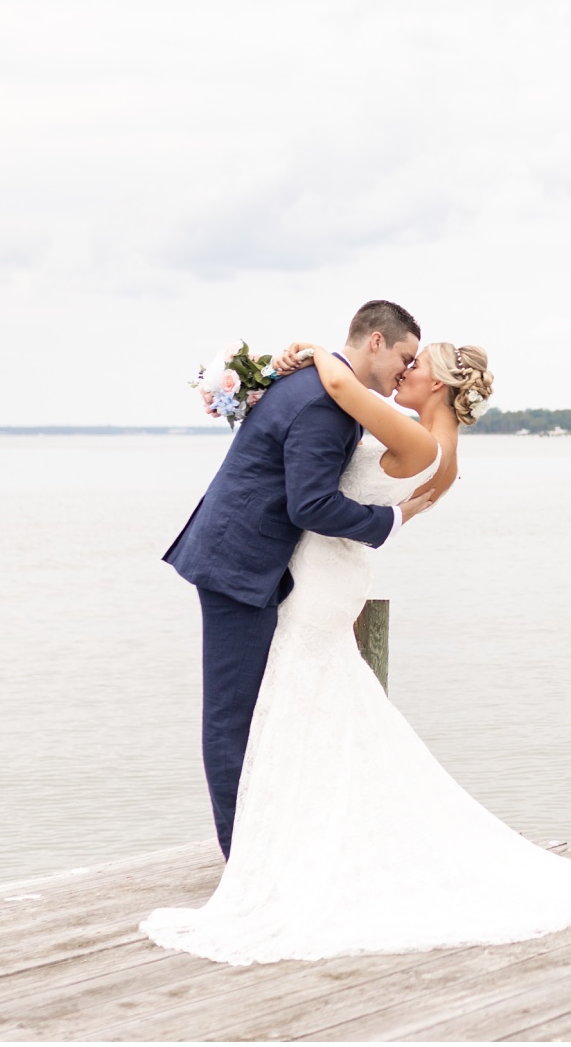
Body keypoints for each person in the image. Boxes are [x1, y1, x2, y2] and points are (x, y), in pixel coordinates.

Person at [143, 338, 571, 964]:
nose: (404, 374)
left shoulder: (420, 441)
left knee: (276, 709)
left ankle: (262, 855)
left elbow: (341, 391)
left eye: (415, 366)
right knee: (312, 711)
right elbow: (370, 477)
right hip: (332, 573)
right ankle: (289, 842)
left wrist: (319, 352)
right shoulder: (443, 454)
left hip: (322, 580)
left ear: (438, 384)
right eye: (404, 362)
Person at [163, 299, 432, 861]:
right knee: (232, 716)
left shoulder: (324, 386)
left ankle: (267, 841)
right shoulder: (323, 404)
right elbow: (311, 505)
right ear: (376, 342)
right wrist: (388, 520)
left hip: (251, 560)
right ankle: (244, 859)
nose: (405, 371)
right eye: (404, 357)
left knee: (260, 709)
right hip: (237, 565)